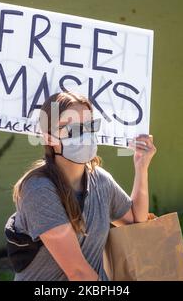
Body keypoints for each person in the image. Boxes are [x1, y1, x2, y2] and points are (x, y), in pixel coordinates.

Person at [11, 91, 157, 281]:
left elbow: (137, 221)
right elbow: (78, 273)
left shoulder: (101, 180)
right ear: (48, 139)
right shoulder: (38, 190)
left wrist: (141, 167)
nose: (84, 135)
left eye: (89, 126)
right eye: (71, 129)